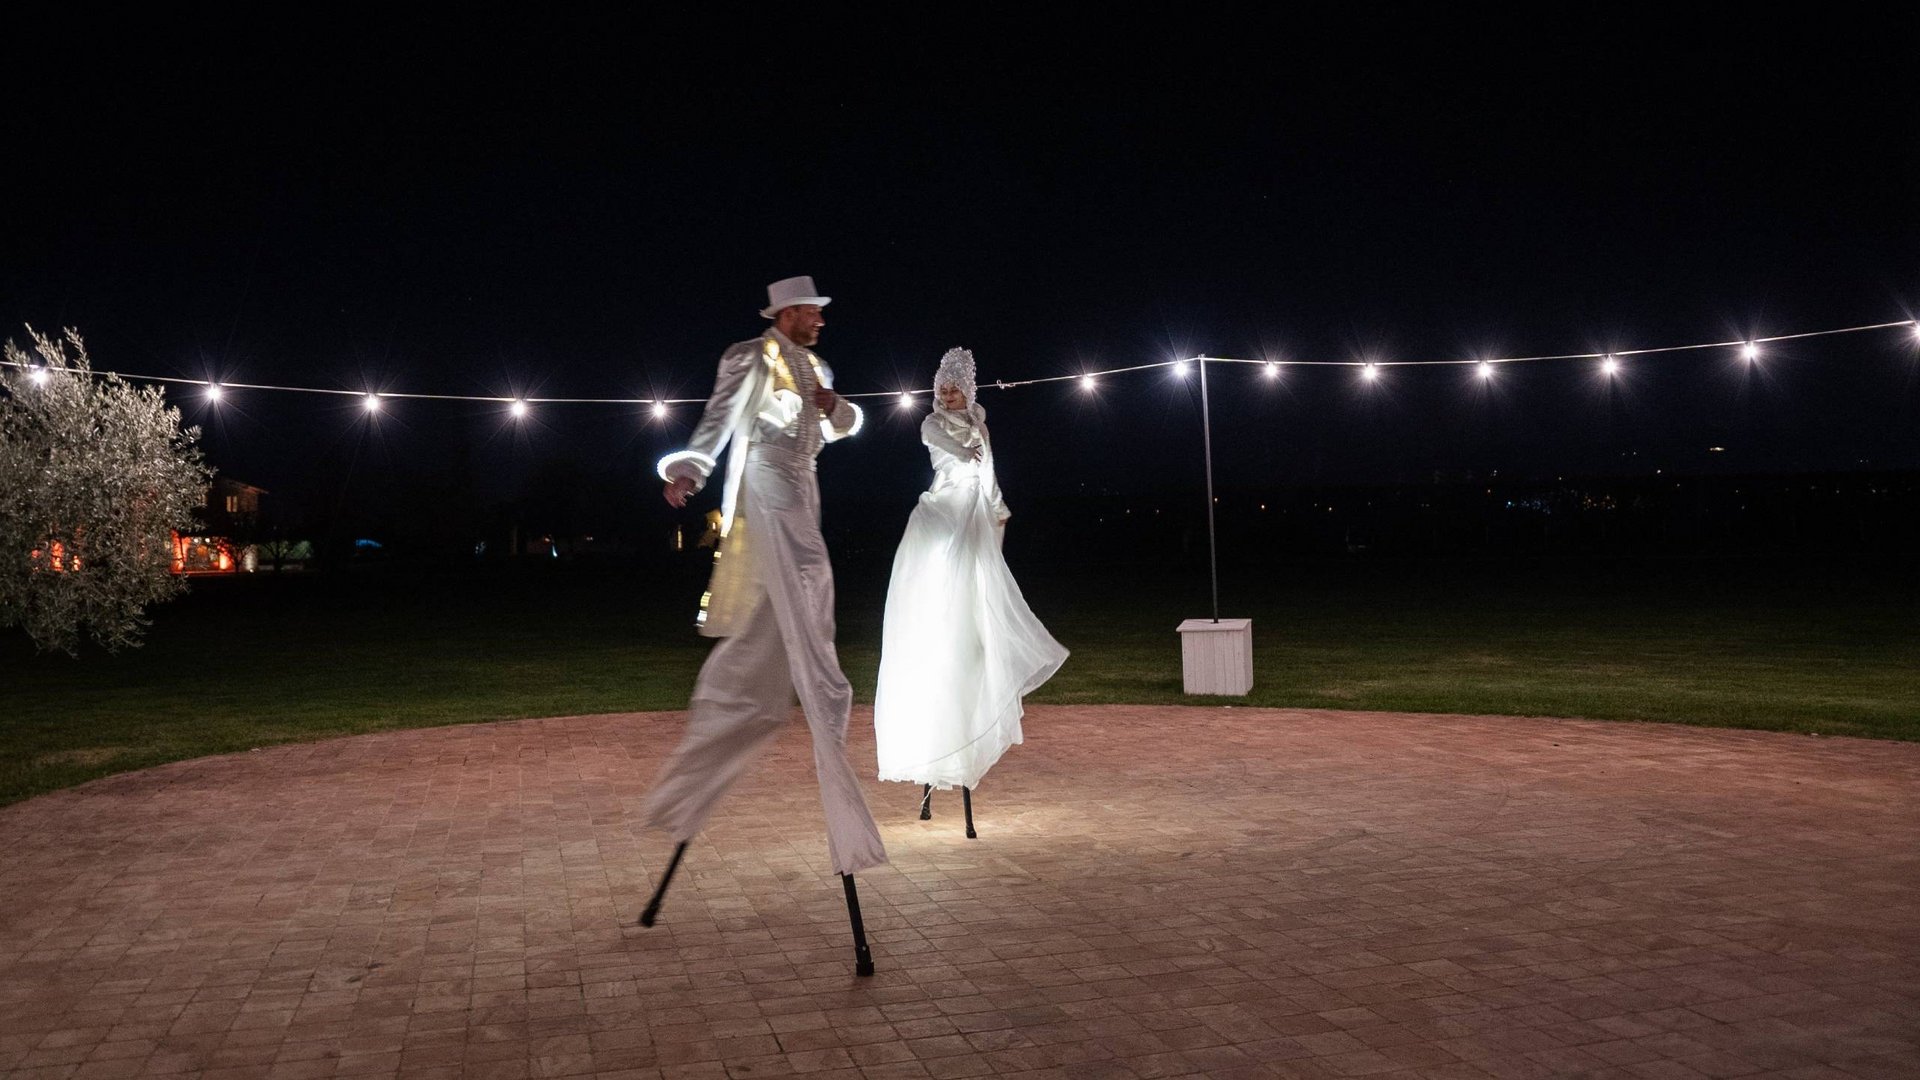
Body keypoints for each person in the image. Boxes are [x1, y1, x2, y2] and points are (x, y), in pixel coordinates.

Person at [643, 276, 885, 973]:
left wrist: (835, 405)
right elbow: (719, 419)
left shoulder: (820, 368)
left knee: (808, 592)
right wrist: (690, 471)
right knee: (801, 586)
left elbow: (842, 428)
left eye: (820, 311)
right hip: (767, 487)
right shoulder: (749, 356)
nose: (820, 320)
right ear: (786, 313)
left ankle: (809, 672)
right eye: (811, 311)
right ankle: (815, 678)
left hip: (804, 489)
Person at [872, 348, 1069, 835]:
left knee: (974, 626)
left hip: (974, 517)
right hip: (944, 515)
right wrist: (964, 453)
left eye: (955, 385)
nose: (946, 392)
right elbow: (944, 442)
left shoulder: (981, 427)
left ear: (968, 389)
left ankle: (963, 733)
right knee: (939, 600)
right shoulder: (931, 425)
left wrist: (999, 506)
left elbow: (989, 475)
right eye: (942, 385)